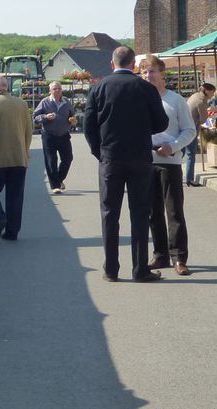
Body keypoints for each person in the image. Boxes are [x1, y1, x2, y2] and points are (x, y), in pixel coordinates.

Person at [84, 46, 169, 282]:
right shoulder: (146, 88)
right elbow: (161, 123)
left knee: (109, 213)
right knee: (140, 213)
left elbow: (88, 126)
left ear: (112, 64)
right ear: (133, 65)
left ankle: (111, 269)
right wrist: (142, 129)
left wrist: (99, 152)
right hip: (140, 157)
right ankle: (140, 268)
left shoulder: (98, 88)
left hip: (110, 157)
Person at [143, 57, 197, 276]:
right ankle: (160, 254)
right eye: (144, 72)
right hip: (146, 162)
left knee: (174, 212)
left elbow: (190, 131)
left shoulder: (175, 101)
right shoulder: (140, 101)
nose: (148, 76)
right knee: (152, 213)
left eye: (152, 71)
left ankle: (179, 257)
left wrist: (173, 146)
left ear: (162, 73)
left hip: (170, 162)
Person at [0, 75, 33, 241]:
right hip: (19, 159)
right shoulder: (22, 104)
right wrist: (25, 152)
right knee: (15, 196)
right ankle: (12, 232)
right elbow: (28, 132)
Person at [33, 81, 75, 193]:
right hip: (49, 135)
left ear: (62, 90)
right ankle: (55, 186)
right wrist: (46, 117)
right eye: (54, 89)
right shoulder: (45, 102)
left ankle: (59, 179)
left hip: (64, 135)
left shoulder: (66, 101)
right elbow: (35, 117)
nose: (57, 91)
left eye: (59, 89)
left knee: (68, 158)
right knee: (51, 161)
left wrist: (72, 120)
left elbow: (71, 114)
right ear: (50, 91)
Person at [185, 83, 216, 186]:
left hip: (183, 127)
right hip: (191, 129)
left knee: (179, 153)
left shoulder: (195, 96)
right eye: (212, 92)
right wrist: (209, 112)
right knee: (190, 155)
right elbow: (203, 120)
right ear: (207, 91)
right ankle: (189, 179)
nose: (213, 94)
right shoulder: (201, 101)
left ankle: (174, 176)